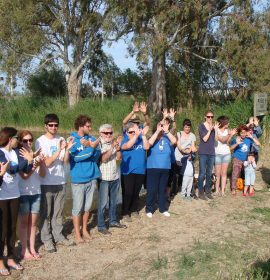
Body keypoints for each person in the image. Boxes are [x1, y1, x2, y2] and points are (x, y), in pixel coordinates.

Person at [36, 114, 74, 253]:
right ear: (45, 126)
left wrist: (67, 149)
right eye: (51, 125)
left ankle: (58, 235)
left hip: (61, 180)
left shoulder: (61, 139)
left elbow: (64, 161)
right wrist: (59, 149)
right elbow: (46, 163)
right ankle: (46, 239)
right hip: (46, 182)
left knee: (58, 212)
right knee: (45, 213)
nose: (54, 127)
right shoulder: (40, 142)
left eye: (56, 125)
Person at [0, 127, 33, 275]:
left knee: (12, 228)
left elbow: (25, 169)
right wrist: (26, 160)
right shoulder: (1, 153)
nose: (18, 141)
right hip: (2, 196)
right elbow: (12, 170)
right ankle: (1, 260)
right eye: (16, 138)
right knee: (2, 229)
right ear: (9, 138)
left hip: (15, 194)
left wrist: (30, 160)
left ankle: (11, 258)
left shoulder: (15, 152)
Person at [69, 115, 101, 243]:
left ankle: (85, 230)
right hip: (78, 179)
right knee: (77, 208)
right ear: (80, 126)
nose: (90, 128)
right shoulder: (72, 140)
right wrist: (91, 148)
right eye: (88, 126)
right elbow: (77, 158)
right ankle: (77, 234)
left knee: (87, 208)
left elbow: (96, 156)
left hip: (92, 177)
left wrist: (92, 147)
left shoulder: (91, 139)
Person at [18, 130, 46, 260]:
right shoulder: (17, 156)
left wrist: (41, 164)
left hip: (36, 192)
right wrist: (33, 163)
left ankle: (32, 248)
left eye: (30, 140)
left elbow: (42, 175)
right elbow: (23, 176)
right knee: (24, 222)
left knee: (33, 223)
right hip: (23, 193)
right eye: (25, 140)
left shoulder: (35, 155)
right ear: (19, 141)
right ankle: (24, 250)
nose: (28, 143)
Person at [97, 124, 126, 235]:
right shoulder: (98, 144)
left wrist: (118, 149)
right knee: (103, 203)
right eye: (106, 133)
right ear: (101, 134)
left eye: (110, 133)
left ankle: (113, 221)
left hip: (114, 176)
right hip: (103, 178)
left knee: (114, 201)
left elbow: (119, 158)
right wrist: (112, 148)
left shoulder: (113, 143)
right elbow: (103, 159)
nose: (108, 135)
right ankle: (101, 225)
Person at [145, 119, 176, 218]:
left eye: (163, 126)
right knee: (152, 189)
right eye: (160, 126)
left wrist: (167, 131)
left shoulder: (167, 138)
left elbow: (175, 141)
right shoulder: (152, 138)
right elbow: (148, 144)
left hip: (165, 168)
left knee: (163, 189)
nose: (162, 127)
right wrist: (157, 131)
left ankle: (163, 208)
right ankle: (149, 208)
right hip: (153, 168)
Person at [120, 122, 149, 222]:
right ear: (126, 132)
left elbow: (146, 147)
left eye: (135, 131)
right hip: (128, 171)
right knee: (128, 192)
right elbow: (127, 146)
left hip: (140, 169)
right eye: (131, 132)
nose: (133, 133)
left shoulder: (141, 138)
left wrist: (143, 135)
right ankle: (125, 212)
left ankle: (133, 209)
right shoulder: (124, 139)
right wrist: (136, 135)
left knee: (136, 191)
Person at [230, 124, 260, 195]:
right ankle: (233, 188)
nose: (243, 134)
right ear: (239, 133)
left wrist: (252, 137)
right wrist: (237, 143)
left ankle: (248, 187)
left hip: (246, 160)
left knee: (247, 174)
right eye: (241, 133)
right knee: (235, 174)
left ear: (246, 132)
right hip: (237, 159)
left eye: (244, 132)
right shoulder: (236, 139)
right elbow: (230, 148)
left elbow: (258, 144)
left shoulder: (249, 139)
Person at [198, 110, 217, 200]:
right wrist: (210, 130)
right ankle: (201, 192)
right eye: (208, 117)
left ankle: (208, 191)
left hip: (211, 153)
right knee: (202, 173)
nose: (210, 118)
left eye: (212, 117)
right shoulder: (201, 126)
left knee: (209, 173)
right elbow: (205, 139)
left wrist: (215, 130)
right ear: (205, 117)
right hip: (203, 153)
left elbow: (216, 139)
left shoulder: (213, 127)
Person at [214, 116, 236, 196]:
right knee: (217, 173)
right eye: (227, 122)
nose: (229, 123)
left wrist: (231, 135)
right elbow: (220, 139)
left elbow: (227, 141)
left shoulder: (227, 131)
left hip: (226, 153)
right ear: (223, 123)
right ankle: (217, 190)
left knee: (224, 173)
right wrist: (229, 135)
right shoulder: (216, 130)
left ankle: (222, 191)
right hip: (218, 154)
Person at [175, 119, 197, 196]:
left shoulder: (192, 135)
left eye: (188, 127)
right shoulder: (179, 133)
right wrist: (183, 150)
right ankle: (176, 188)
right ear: (183, 127)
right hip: (178, 156)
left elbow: (193, 146)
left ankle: (187, 189)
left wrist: (191, 150)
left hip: (187, 157)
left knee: (186, 173)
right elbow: (178, 145)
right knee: (178, 173)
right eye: (186, 127)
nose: (187, 128)